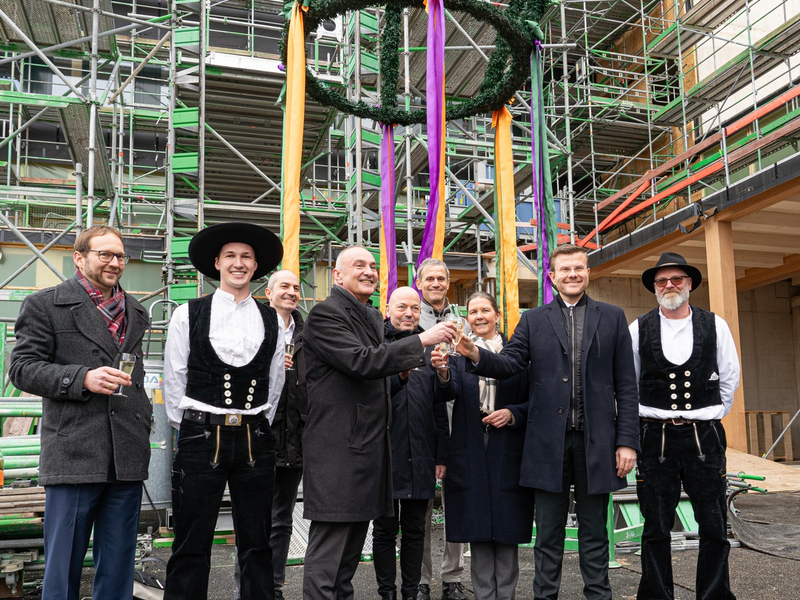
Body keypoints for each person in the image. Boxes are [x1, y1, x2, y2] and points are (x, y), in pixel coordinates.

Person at [457, 244, 640, 600]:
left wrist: (627, 441)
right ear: (552, 277)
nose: (573, 275)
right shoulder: (533, 320)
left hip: (597, 444)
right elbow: (509, 363)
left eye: (579, 268)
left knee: (594, 533)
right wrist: (475, 353)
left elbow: (626, 386)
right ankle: (545, 596)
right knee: (549, 535)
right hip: (546, 445)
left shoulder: (613, 317)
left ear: (588, 273)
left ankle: (598, 595)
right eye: (565, 270)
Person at [301, 246, 456, 600]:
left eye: (373, 265)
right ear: (337, 276)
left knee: (347, 563)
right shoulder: (326, 314)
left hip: (366, 454)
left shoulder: (366, 317)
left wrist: (401, 371)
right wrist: (421, 340)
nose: (370, 271)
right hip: (339, 453)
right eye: (359, 265)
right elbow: (360, 362)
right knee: (329, 559)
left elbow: (371, 379)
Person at [9, 225, 151, 600]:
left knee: (119, 562)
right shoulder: (46, 304)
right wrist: (81, 378)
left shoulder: (136, 311)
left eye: (120, 255)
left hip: (127, 452)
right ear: (79, 257)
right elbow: (22, 369)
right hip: (74, 450)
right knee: (63, 565)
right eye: (104, 254)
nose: (114, 262)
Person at [162, 222, 285, 600]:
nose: (238, 263)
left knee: (257, 541)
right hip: (201, 434)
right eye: (230, 256)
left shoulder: (272, 319)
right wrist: (193, 427)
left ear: (255, 265)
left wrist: (256, 421)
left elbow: (275, 380)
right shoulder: (188, 313)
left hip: (254, 437)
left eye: (246, 256)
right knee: (191, 540)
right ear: (216, 263)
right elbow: (174, 379)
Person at [630, 252, 740, 600]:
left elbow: (730, 376)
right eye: (662, 281)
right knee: (656, 526)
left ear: (689, 283)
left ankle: (713, 595)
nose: (670, 285)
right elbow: (627, 383)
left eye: (677, 279)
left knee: (713, 524)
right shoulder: (638, 328)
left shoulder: (715, 325)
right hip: (656, 436)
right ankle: (657, 596)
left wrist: (712, 412)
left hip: (703, 436)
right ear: (655, 288)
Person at [433, 292, 533, 600]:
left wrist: (514, 413)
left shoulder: (518, 353)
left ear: (497, 315)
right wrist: (443, 372)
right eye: (473, 311)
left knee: (506, 526)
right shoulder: (457, 353)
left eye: (485, 310)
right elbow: (446, 394)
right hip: (469, 444)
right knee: (476, 525)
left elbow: (537, 401)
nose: (479, 316)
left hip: (508, 445)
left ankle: (506, 595)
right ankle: (484, 596)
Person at [233, 269, 308, 600]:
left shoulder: (308, 334)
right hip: (255, 439)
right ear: (268, 293)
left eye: (295, 287)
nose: (291, 292)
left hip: (293, 443)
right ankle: (247, 590)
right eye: (284, 287)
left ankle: (273, 589)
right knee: (252, 522)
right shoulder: (251, 328)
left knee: (281, 521)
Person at [372, 287, 450, 600]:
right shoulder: (377, 345)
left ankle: (411, 591)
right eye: (402, 307)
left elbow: (438, 409)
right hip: (385, 455)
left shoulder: (430, 347)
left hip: (421, 455)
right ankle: (386, 592)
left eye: (414, 308)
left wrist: (440, 455)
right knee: (385, 530)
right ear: (387, 308)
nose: (408, 313)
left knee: (417, 530)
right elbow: (370, 398)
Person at [415, 258, 467, 600]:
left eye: (441, 278)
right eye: (429, 278)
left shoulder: (460, 320)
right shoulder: (408, 315)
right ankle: (419, 578)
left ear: (447, 283)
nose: (435, 283)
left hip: (456, 416)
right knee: (419, 505)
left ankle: (452, 577)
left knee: (457, 503)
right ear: (419, 283)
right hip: (419, 418)